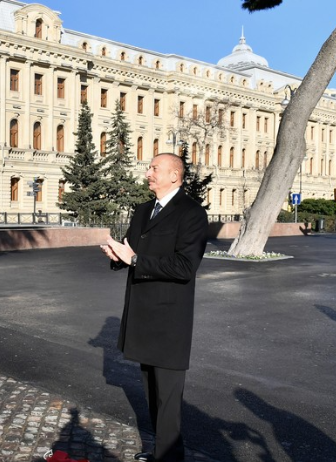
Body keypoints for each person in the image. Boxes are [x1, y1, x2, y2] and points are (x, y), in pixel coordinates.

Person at [101, 153, 208, 462]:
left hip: (169, 319)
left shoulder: (191, 213)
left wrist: (135, 259)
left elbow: (185, 266)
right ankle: (163, 452)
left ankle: (169, 457)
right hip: (141, 315)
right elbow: (131, 250)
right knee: (151, 393)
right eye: (149, 168)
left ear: (174, 176)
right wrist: (117, 257)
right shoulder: (143, 210)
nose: (148, 172)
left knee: (169, 398)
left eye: (154, 168)